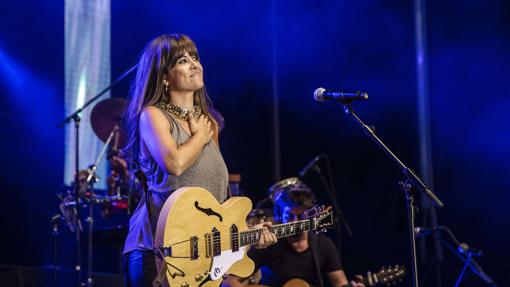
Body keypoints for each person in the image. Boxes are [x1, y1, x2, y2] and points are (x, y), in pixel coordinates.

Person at [122, 34, 276, 287]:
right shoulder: (152, 116)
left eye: (195, 57)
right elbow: (175, 163)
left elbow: (216, 208)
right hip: (158, 252)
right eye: (183, 60)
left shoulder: (210, 125)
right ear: (164, 77)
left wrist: (249, 237)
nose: (195, 64)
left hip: (198, 263)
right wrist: (199, 136)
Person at [224, 178, 364, 287]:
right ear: (279, 215)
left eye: (301, 216)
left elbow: (340, 283)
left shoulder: (323, 246)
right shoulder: (268, 242)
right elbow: (228, 281)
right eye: (290, 216)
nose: (296, 221)